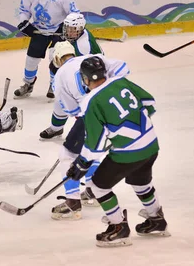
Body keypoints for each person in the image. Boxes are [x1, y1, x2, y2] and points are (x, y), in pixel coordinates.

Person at [66, 56, 169, 247]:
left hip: (127, 154)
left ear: (85, 78)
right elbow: (149, 103)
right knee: (141, 182)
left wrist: (82, 162)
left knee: (98, 186)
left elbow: (95, 142)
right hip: (151, 145)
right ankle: (157, 220)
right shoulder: (121, 82)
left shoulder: (90, 101)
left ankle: (118, 228)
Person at [48, 42, 130, 220]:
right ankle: (92, 190)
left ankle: (73, 200)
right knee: (92, 152)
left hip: (92, 115)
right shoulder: (92, 59)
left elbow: (71, 111)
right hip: (119, 113)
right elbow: (124, 68)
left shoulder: (59, 76)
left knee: (67, 154)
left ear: (57, 59)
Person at [14, 0, 80, 100]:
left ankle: (53, 84)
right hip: (39, 30)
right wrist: (24, 23)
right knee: (31, 60)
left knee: (54, 56)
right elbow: (24, 10)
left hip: (58, 29)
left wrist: (67, 27)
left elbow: (74, 13)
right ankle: (28, 84)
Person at [41, 13, 103, 140]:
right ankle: (56, 128)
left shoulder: (83, 46)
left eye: (72, 30)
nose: (69, 32)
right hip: (85, 74)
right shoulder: (78, 37)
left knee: (81, 104)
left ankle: (93, 130)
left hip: (91, 78)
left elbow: (80, 69)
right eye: (67, 28)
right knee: (61, 101)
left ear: (80, 29)